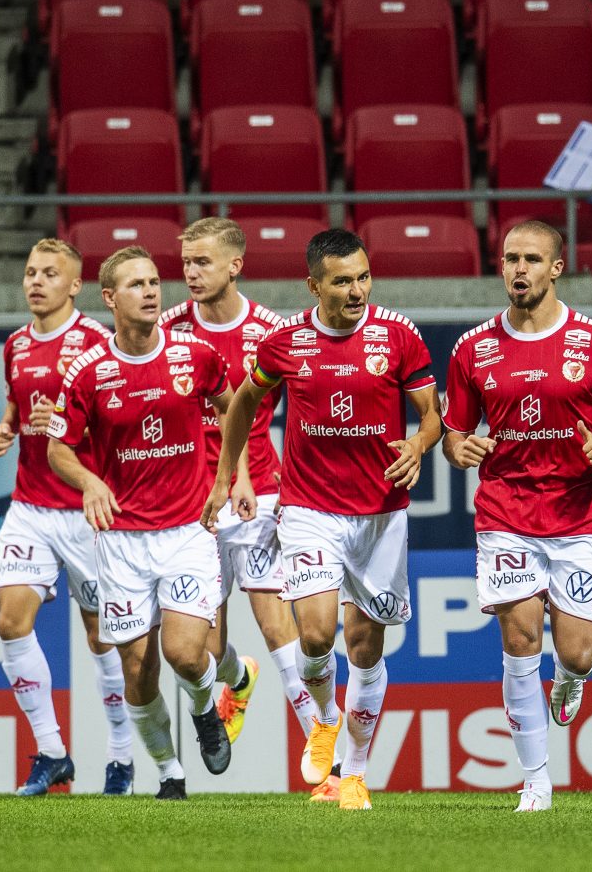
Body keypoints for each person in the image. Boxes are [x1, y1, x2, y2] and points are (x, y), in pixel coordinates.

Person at [202, 229, 442, 811]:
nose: (357, 290)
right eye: (342, 280)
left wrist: (418, 445)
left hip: (381, 517)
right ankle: (327, 721)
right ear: (314, 285)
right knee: (314, 634)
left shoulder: (399, 336)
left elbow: (433, 415)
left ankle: (351, 774)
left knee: (364, 649)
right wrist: (227, 474)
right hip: (310, 509)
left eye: (363, 276)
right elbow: (243, 404)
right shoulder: (285, 344)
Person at [442, 221, 592, 813]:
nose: (519, 269)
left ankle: (572, 678)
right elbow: (454, 432)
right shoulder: (473, 348)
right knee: (519, 637)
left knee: (580, 650)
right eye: (510, 258)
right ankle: (536, 780)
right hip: (506, 510)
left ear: (557, 267)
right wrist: (460, 449)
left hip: (581, 512)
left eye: (532, 259)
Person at [47, 246, 236, 801]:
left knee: (183, 651)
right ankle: (169, 773)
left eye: (155, 282)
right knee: (138, 672)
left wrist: (231, 478)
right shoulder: (89, 372)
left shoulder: (194, 355)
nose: (152, 292)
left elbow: (235, 409)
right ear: (109, 298)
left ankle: (205, 712)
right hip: (122, 543)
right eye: (136, 285)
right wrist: (91, 481)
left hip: (187, 532)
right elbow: (59, 449)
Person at [160, 218, 325, 790]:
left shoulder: (273, 333)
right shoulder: (169, 330)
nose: (190, 273)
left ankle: (321, 754)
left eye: (202, 262)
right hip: (189, 501)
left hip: (257, 494)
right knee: (202, 646)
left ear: (235, 265)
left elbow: (308, 414)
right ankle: (237, 678)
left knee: (276, 622)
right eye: (185, 263)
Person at [0, 239, 137, 796]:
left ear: (75, 286)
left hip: (87, 510)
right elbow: (16, 412)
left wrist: (74, 427)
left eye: (50, 273)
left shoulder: (98, 343)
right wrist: (5, 429)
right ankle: (52, 752)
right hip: (30, 507)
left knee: (103, 638)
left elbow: (121, 420)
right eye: (30, 271)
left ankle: (120, 756)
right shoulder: (17, 344)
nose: (36, 281)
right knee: (10, 621)